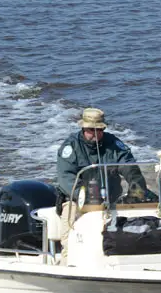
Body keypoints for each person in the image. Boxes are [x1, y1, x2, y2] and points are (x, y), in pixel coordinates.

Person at [55, 108, 148, 254]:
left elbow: (129, 167)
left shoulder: (114, 144)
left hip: (112, 199)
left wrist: (138, 190)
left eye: (99, 130)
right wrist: (85, 196)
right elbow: (66, 177)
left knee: (138, 230)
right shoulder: (70, 147)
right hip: (77, 200)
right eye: (91, 130)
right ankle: (67, 260)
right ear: (83, 128)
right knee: (70, 239)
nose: (96, 134)